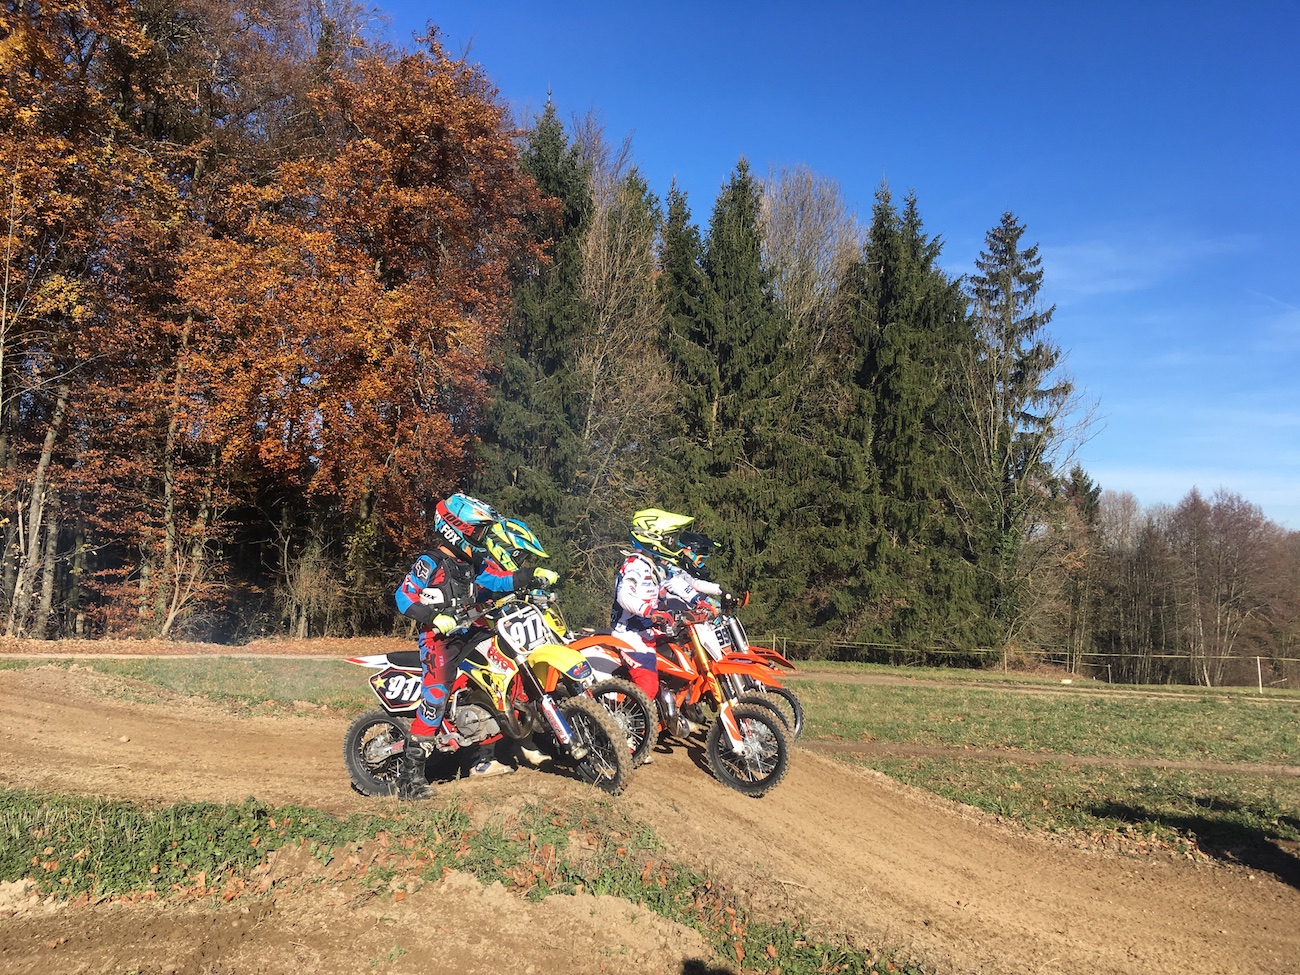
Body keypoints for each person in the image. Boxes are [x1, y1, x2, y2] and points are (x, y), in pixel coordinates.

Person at [393, 493, 557, 800]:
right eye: (478, 531)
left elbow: (498, 581)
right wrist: (433, 617)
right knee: (435, 697)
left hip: (471, 633)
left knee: (505, 672)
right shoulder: (430, 562)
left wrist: (530, 576)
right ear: (456, 528)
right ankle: (409, 778)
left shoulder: (472, 564)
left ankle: (486, 753)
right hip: (438, 640)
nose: (482, 538)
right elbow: (404, 596)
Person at [609, 509, 730, 749]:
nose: (671, 544)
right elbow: (624, 596)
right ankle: (623, 733)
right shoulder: (635, 566)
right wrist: (649, 611)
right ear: (650, 537)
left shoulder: (655, 565)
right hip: (629, 634)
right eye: (667, 539)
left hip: (649, 631)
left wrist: (701, 602)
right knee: (647, 684)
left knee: (682, 660)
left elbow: (677, 585)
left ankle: (674, 709)